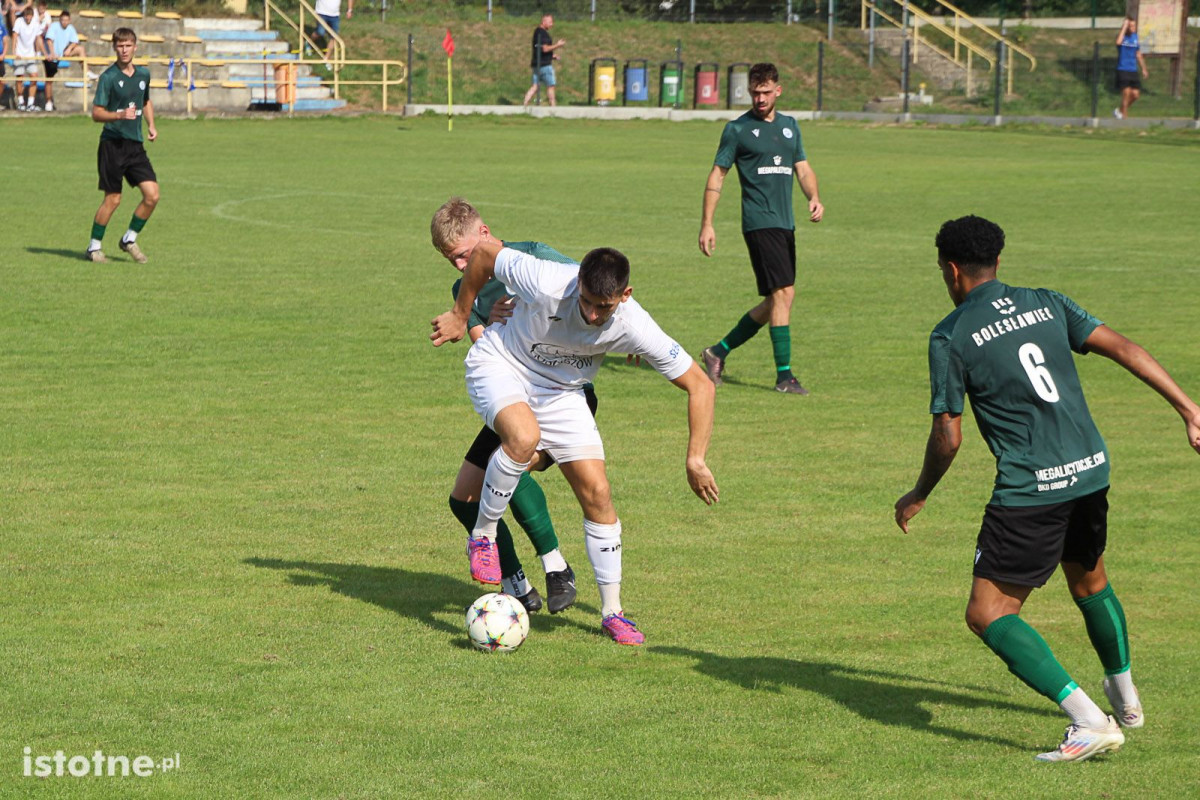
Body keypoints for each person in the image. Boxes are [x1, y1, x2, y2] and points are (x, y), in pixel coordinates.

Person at [894, 215, 1200, 762]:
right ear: (999, 262)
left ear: (951, 269)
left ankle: (1089, 720)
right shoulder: (1049, 302)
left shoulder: (952, 334)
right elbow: (1124, 346)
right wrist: (1188, 407)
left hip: (1034, 489)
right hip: (1090, 469)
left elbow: (948, 434)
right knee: (1090, 582)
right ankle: (1126, 696)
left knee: (988, 613)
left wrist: (919, 491)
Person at [431, 243, 719, 646]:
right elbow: (483, 254)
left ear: (625, 295)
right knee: (523, 436)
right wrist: (462, 315)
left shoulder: (634, 324)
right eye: (585, 301)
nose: (591, 314)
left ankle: (612, 614)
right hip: (503, 364)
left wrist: (696, 458)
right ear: (576, 282)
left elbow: (700, 385)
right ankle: (483, 536)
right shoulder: (547, 279)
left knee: (598, 493)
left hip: (563, 393)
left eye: (603, 307)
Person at [430, 198, 588, 615]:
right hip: (514, 399)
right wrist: (499, 325)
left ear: (484, 234)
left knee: (509, 463)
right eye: (452, 261)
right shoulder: (465, 289)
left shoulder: (532, 256)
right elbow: (487, 352)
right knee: (463, 499)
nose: (462, 268)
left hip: (560, 395)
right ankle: (517, 583)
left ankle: (557, 567)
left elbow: (588, 288)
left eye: (464, 255)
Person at [697, 62, 824, 395]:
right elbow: (717, 175)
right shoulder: (737, 130)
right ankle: (784, 377)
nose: (760, 98)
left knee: (779, 299)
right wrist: (707, 224)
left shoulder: (790, 127)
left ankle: (717, 352)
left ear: (778, 90)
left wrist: (814, 197)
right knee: (784, 294)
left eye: (766, 92)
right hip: (759, 221)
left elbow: (803, 168)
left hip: (785, 222)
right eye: (755, 92)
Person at [87, 28, 159, 265]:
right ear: (114, 47)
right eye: (120, 45)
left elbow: (145, 101)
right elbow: (96, 114)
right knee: (113, 199)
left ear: (135, 47)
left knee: (152, 195)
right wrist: (119, 115)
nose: (124, 50)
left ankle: (129, 239)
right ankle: (94, 247)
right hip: (112, 145)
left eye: (128, 45)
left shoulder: (143, 75)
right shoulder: (108, 77)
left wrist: (151, 124)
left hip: (135, 146)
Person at [521, 14, 564, 107]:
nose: (552, 24)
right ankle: (553, 106)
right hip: (545, 65)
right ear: (544, 22)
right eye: (550, 22)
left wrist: (552, 56)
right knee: (550, 85)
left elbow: (540, 49)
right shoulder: (543, 33)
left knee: (535, 86)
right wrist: (558, 45)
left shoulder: (537, 32)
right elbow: (545, 49)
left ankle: (524, 104)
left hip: (536, 64)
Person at [42, 10, 81, 113]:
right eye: (63, 20)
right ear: (60, 20)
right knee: (49, 79)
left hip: (61, 55)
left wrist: (69, 49)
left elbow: (75, 41)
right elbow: (49, 40)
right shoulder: (54, 26)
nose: (64, 22)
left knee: (81, 49)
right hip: (51, 56)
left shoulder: (71, 28)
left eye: (66, 20)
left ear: (69, 20)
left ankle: (87, 71)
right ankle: (48, 102)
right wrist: (52, 53)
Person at [1113, 16, 1148, 120]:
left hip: (1133, 69)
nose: (1133, 28)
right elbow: (1118, 43)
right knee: (1126, 93)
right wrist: (1124, 27)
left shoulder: (1135, 37)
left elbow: (1138, 53)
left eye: (1134, 25)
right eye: (1131, 26)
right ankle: (1124, 118)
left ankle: (1119, 110)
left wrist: (1144, 68)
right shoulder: (1122, 36)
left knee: (1135, 94)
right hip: (1123, 69)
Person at [11, 5, 45, 111]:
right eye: (26, 16)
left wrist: (43, 52)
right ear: (24, 16)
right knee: (19, 78)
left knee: (34, 77)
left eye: (29, 16)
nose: (28, 18)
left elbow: (39, 38)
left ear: (32, 16)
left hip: (30, 54)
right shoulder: (19, 22)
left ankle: (30, 103)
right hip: (20, 54)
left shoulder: (35, 23)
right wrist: (14, 52)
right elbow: (15, 36)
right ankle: (21, 102)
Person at [312, 0, 352, 68]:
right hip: (322, 12)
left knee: (334, 37)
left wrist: (349, 10)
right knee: (320, 32)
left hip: (334, 14)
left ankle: (326, 59)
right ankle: (310, 41)